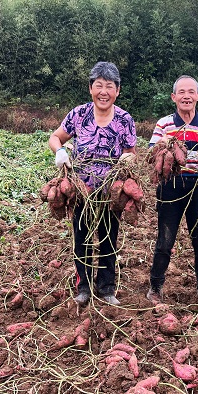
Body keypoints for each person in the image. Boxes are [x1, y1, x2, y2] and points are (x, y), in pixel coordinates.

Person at [48, 61, 137, 306]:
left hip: (111, 191)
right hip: (82, 190)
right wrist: (60, 151)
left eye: (109, 86)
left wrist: (126, 161)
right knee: (82, 238)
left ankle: (107, 288)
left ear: (117, 90)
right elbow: (55, 137)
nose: (104, 91)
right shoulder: (79, 114)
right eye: (99, 85)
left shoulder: (124, 119)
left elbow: (130, 151)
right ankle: (84, 287)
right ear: (91, 88)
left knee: (109, 238)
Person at [146, 75, 198, 305]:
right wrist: (165, 143)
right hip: (170, 186)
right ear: (173, 97)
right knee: (165, 240)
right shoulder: (164, 123)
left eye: (191, 92)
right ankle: (155, 287)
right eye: (181, 92)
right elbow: (151, 153)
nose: (186, 96)